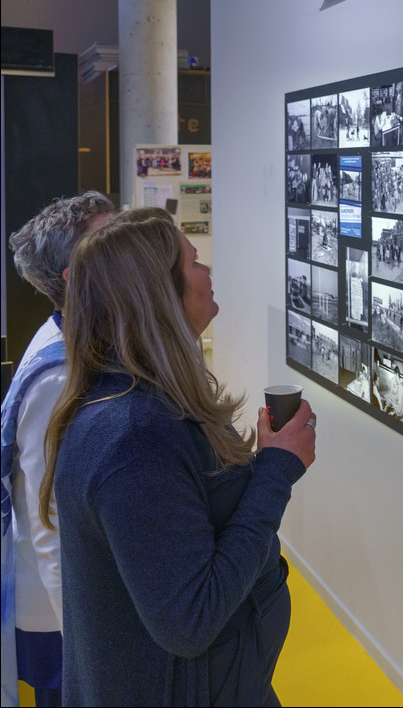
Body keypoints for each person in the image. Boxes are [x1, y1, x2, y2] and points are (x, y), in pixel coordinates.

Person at [41, 208, 316, 705]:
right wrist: (275, 473)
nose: (207, 271)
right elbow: (190, 619)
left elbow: (183, 514)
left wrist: (265, 462)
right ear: (158, 295)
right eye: (194, 263)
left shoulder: (140, 404)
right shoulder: (134, 438)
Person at [2, 192, 114, 707]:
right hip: (60, 612)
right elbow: (49, 524)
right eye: (113, 243)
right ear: (76, 276)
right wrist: (89, 644)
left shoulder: (74, 343)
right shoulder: (58, 375)